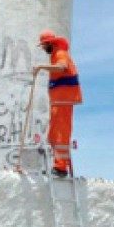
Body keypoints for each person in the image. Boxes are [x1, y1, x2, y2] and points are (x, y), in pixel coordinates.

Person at [33, 29, 82, 177]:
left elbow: (62, 68)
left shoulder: (60, 54)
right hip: (59, 100)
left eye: (43, 45)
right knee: (54, 133)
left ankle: (61, 167)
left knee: (61, 132)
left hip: (64, 99)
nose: (43, 48)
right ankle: (56, 165)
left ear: (49, 43)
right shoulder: (55, 55)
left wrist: (41, 67)